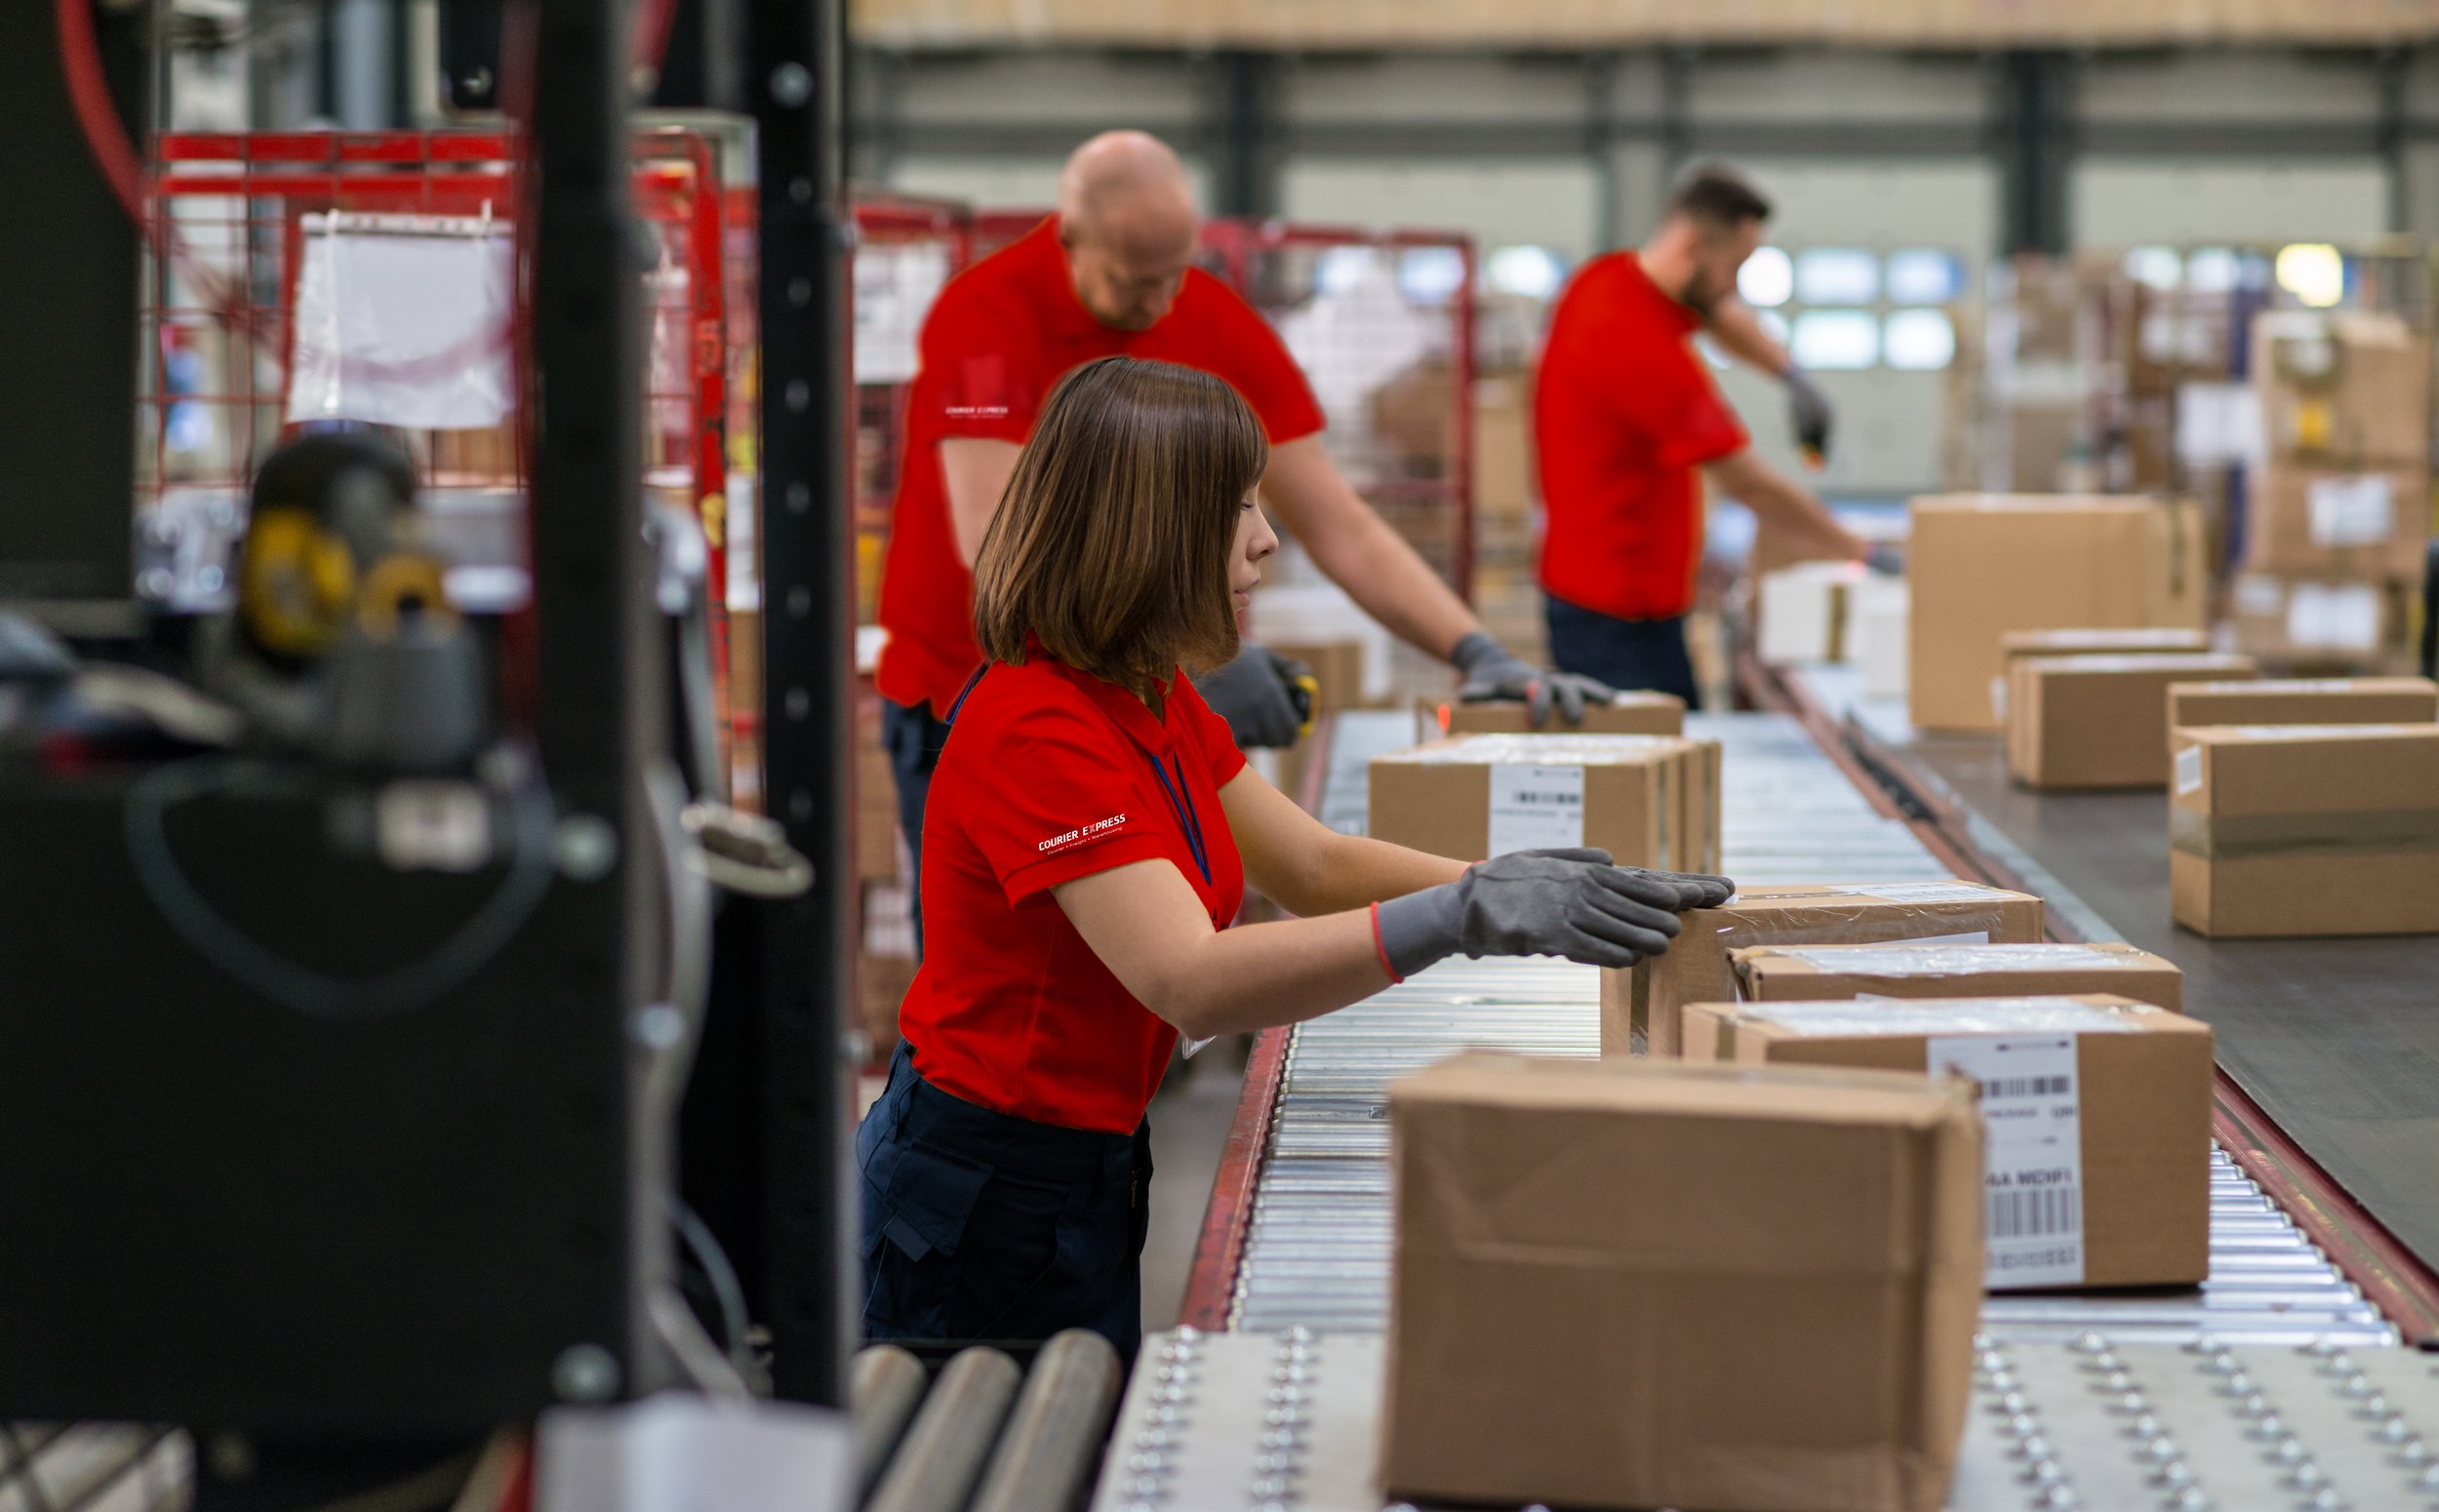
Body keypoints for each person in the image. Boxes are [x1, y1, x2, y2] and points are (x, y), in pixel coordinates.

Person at [857, 357, 1731, 1361]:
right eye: (1236, 509)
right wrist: (1462, 918)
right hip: (978, 1189)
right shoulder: (1036, 726)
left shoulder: (1145, 689)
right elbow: (1189, 978)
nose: (1266, 541)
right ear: (1152, 529)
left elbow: (1306, 861)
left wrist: (1517, 882)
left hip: (1083, 1160)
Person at [876, 130, 1608, 949]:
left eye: (1173, 275)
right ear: (1068, 236)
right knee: (1018, 957)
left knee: (1137, 957)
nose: (1159, 304)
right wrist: (1192, 649)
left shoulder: (1208, 319)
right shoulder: (987, 319)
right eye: (1133, 281)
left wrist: (1475, 650)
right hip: (973, 684)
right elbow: (998, 537)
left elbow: (1341, 524)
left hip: (1141, 685)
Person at [1535, 163, 1886, 708]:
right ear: (1693, 245)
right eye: (1735, 266)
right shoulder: (1638, 350)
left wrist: (1790, 375)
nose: (1735, 287)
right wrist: (1864, 554)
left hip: (1634, 599)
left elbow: (1720, 314)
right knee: (1649, 774)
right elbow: (1753, 488)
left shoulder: (1608, 279)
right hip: (1613, 619)